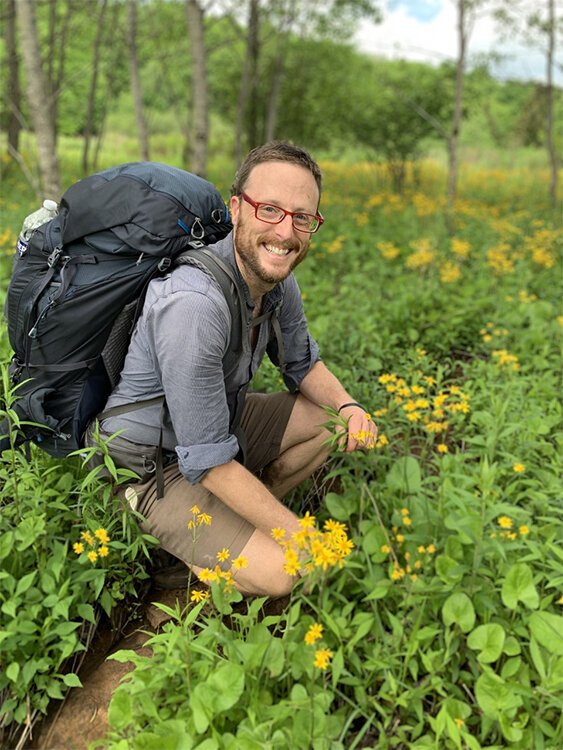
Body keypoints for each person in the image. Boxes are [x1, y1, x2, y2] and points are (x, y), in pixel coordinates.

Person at [92, 142, 377, 597]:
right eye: (270, 210)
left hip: (215, 428)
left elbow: (302, 363)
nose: (286, 232)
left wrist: (349, 405)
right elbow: (206, 461)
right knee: (285, 571)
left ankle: (243, 518)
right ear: (237, 209)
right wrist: (303, 538)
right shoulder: (194, 305)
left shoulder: (276, 281)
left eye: (302, 217)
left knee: (331, 417)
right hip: (150, 467)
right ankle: (179, 555)